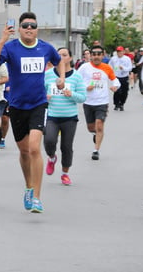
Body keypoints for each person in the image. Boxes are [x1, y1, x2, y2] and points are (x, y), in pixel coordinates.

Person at [0, 12, 65, 213]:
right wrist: (2, 41)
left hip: (39, 104)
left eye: (32, 25)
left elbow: (60, 61)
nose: (29, 28)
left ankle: (37, 197)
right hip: (17, 106)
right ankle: (29, 187)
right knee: (23, 151)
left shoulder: (45, 48)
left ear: (36, 29)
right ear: (19, 29)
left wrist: (62, 77)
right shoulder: (11, 48)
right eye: (25, 26)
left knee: (34, 149)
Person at [43, 47, 86, 186]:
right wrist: (45, 97)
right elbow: (40, 92)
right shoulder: (48, 74)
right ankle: (51, 157)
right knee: (49, 141)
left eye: (64, 55)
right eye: (58, 55)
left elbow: (83, 97)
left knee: (66, 147)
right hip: (52, 115)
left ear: (70, 58)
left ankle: (65, 173)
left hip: (69, 117)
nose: (61, 57)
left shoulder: (76, 76)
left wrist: (71, 94)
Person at [78, 45, 120, 161]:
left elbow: (114, 80)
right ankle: (94, 134)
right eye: (94, 54)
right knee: (91, 127)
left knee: (99, 125)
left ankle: (96, 150)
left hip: (102, 101)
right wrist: (86, 87)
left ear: (103, 55)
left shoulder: (107, 68)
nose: (96, 56)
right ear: (91, 56)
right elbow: (76, 81)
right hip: (88, 101)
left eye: (99, 54)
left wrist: (115, 86)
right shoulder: (84, 68)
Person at [108, 46, 132, 111]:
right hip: (116, 77)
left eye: (120, 51)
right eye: (118, 51)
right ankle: (116, 104)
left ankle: (122, 103)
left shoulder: (127, 59)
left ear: (123, 52)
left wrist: (124, 68)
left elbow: (130, 68)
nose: (119, 53)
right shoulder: (113, 59)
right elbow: (110, 66)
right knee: (117, 91)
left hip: (124, 77)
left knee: (124, 92)